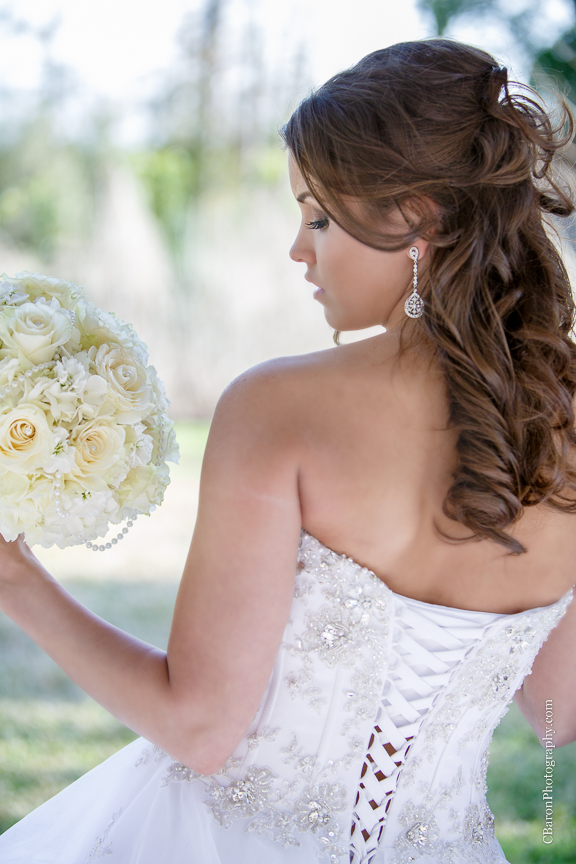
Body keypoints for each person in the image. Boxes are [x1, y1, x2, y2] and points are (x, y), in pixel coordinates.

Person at [0, 37, 575, 864]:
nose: (299, 249)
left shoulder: (277, 410)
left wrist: (15, 578)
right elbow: (556, 712)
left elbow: (199, 729)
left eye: (319, 216)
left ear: (418, 220)